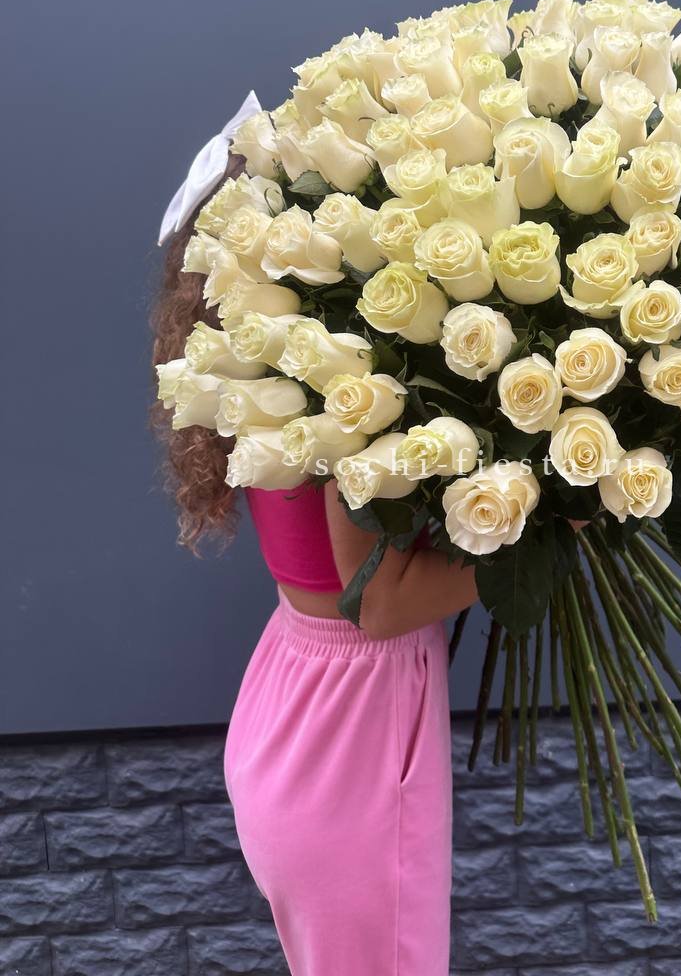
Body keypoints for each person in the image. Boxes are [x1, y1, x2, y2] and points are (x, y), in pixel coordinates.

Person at [150, 153, 478, 976]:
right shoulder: (331, 384)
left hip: (299, 703)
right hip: (349, 730)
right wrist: (562, 535)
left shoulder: (266, 378)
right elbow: (379, 607)